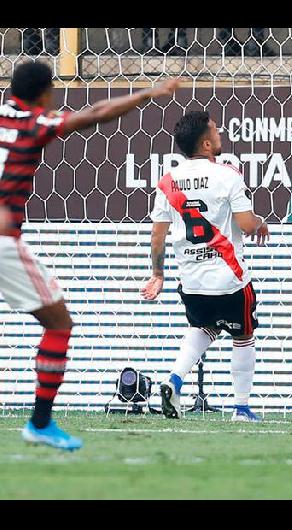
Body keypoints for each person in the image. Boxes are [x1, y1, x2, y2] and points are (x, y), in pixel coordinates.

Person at [0, 61, 179, 450]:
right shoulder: (37, 124)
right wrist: (148, 93)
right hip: (2, 242)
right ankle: (41, 423)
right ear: (46, 93)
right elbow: (95, 113)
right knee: (59, 324)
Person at [141, 111, 269, 423]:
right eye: (216, 130)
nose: (220, 133)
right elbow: (246, 224)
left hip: (192, 284)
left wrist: (157, 275)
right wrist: (260, 224)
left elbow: (158, 235)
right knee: (244, 336)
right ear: (208, 143)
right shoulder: (228, 175)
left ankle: (173, 380)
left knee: (203, 328)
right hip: (230, 280)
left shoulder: (167, 182)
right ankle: (241, 408)